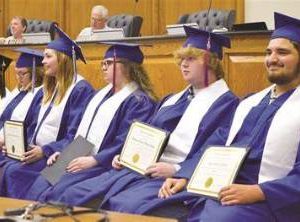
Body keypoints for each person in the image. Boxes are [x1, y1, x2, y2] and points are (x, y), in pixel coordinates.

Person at [45, 26, 239, 208]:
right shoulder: (173, 99)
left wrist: (178, 169)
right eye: (181, 60)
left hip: (173, 175)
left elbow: (216, 148)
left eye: (190, 59)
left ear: (211, 61)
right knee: (54, 185)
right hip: (137, 167)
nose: (183, 64)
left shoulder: (226, 103)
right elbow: (146, 135)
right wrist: (126, 155)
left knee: (109, 202)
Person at [140, 12, 300, 222]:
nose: (272, 59)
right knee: (153, 202)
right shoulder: (251, 102)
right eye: (268, 52)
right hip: (224, 186)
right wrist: (185, 175)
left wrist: (259, 192)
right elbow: (217, 143)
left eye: (282, 52)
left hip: (274, 198)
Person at [5, 42, 157, 200]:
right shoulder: (101, 96)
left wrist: (94, 160)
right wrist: (65, 153)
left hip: (105, 165)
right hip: (82, 154)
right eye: (103, 63)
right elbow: (84, 133)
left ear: (128, 67)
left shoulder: (139, 102)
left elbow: (124, 143)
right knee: (42, 182)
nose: (103, 67)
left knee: (60, 191)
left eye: (109, 63)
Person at [0, 25, 94, 196]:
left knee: (13, 172)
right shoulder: (49, 88)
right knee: (5, 165)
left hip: (58, 155)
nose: (43, 62)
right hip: (35, 151)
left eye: (48, 57)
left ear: (63, 59)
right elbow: (33, 126)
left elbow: (77, 137)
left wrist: (45, 151)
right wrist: (17, 147)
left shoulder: (80, 89)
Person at [0, 47, 44, 153]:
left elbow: (26, 126)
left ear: (36, 73)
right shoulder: (19, 90)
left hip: (14, 144)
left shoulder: (40, 94)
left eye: (22, 73)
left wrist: (4, 139)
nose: (18, 78)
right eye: (16, 73)